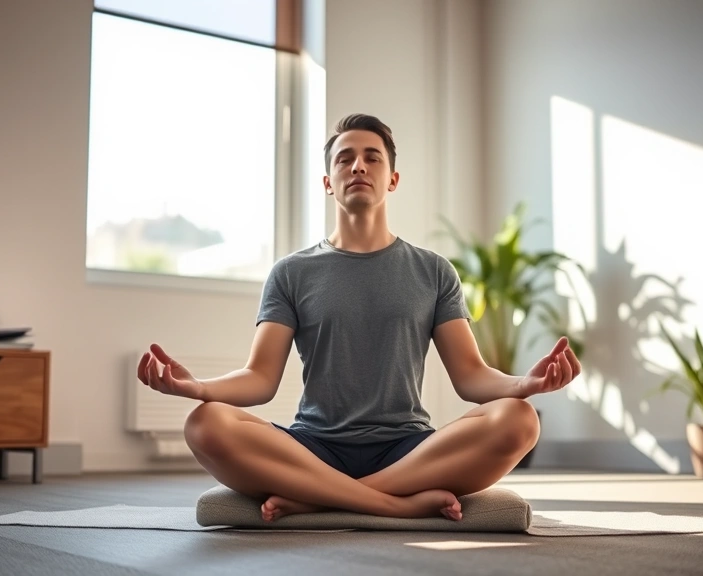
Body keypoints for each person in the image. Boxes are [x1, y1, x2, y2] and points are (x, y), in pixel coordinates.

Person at [138, 113, 582, 523]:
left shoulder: (433, 271)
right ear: (328, 182)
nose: (358, 167)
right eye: (345, 159)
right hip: (313, 447)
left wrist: (524, 385)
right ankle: (393, 506)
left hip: (408, 449)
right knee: (204, 424)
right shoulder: (291, 272)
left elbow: (470, 376)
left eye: (372, 157)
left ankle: (318, 500)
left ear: (392, 178)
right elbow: (259, 378)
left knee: (521, 419)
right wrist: (196, 388)